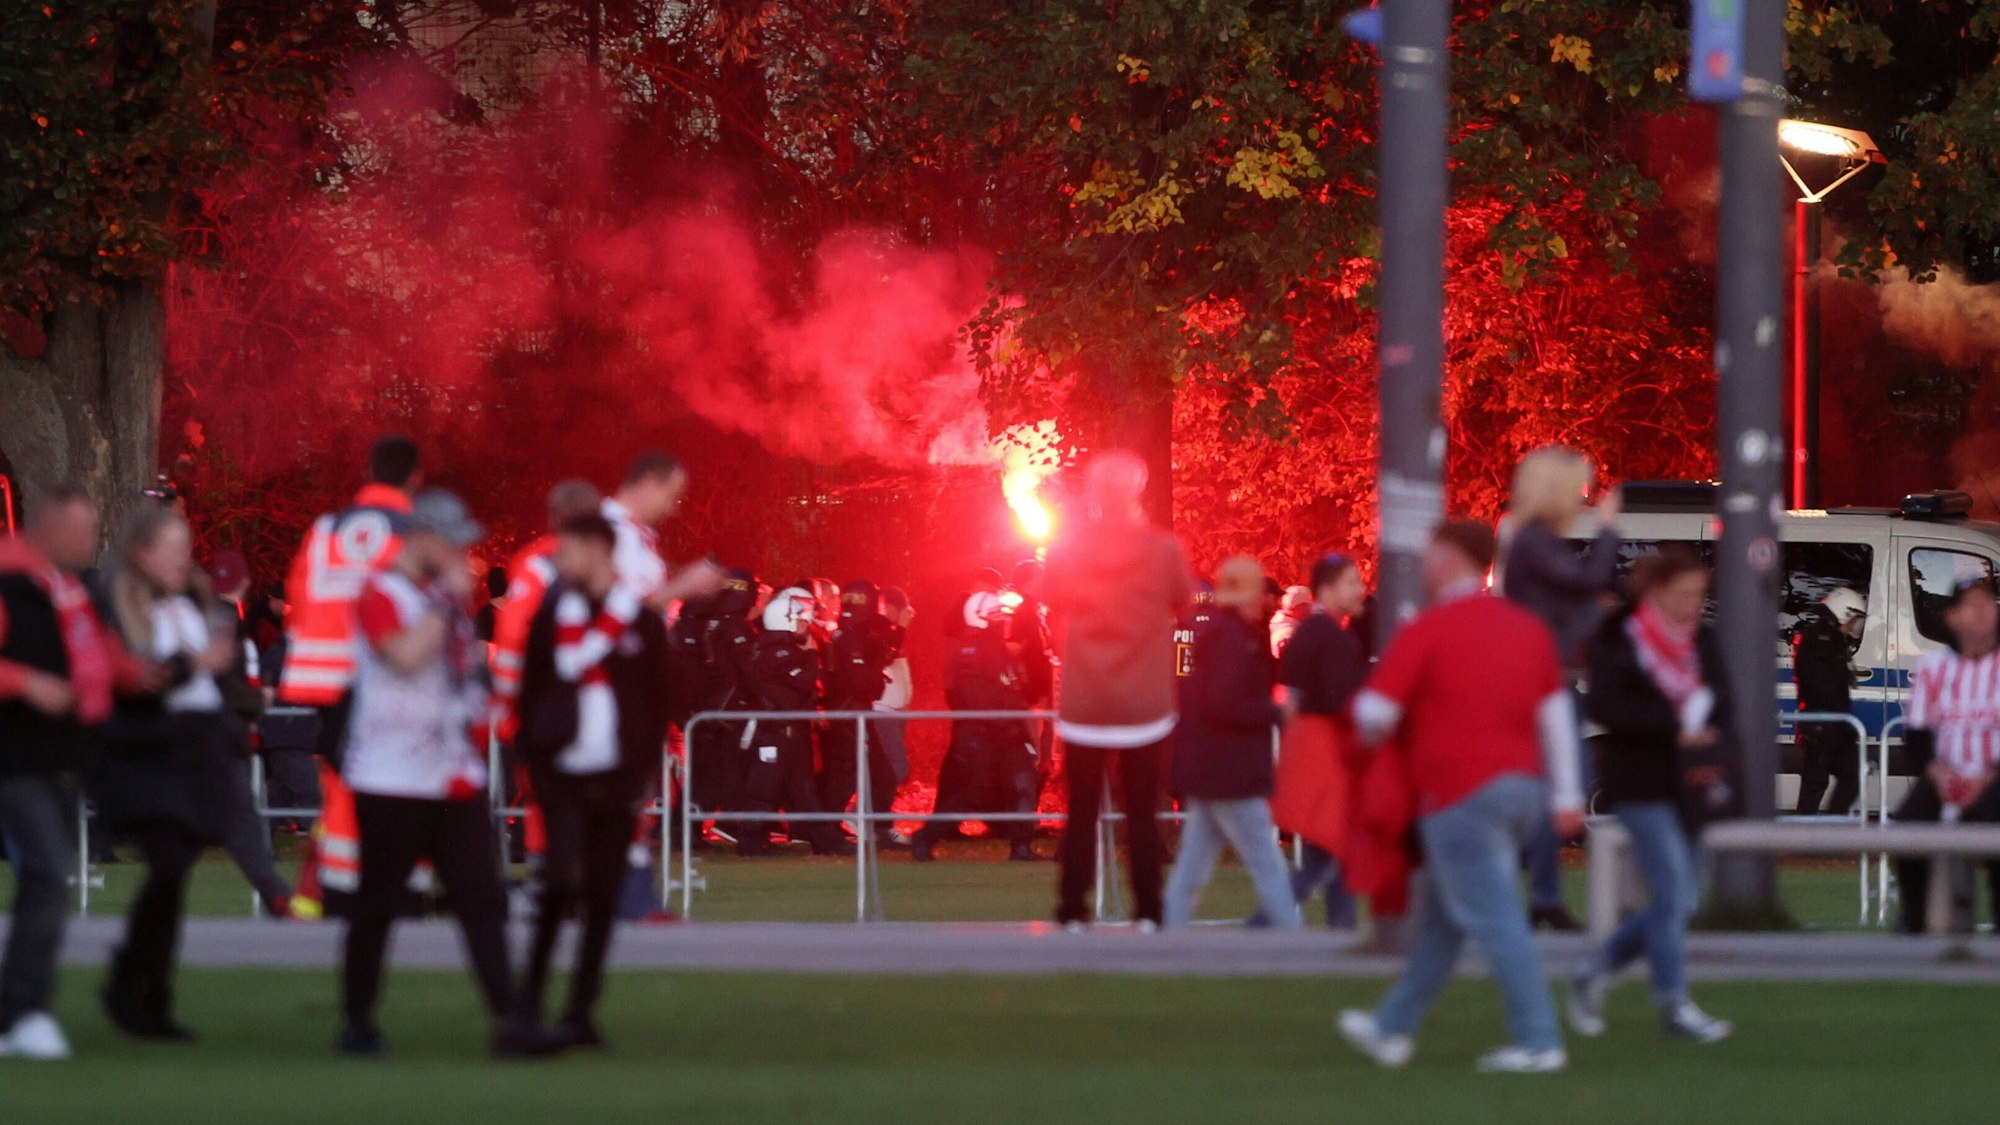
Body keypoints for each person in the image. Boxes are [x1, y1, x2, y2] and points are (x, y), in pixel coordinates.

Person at [1337, 520, 1584, 1074]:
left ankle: (1538, 1039)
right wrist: (1567, 794)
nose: (1421, 566)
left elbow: (1374, 714)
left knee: (1496, 920)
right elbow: (1555, 716)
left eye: (1428, 556)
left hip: (1459, 793)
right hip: (1524, 789)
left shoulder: (1429, 628)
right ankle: (1391, 1028)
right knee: (1448, 922)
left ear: (1448, 558)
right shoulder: (1527, 628)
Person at [335, 489, 554, 1058]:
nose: (463, 553)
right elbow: (402, 658)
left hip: (448, 771)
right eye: (453, 541)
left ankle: (512, 1019)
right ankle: (357, 1020)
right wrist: (443, 608)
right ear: (422, 538)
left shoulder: (442, 598)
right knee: (380, 901)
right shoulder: (381, 592)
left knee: (481, 899)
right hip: (390, 776)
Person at [515, 513, 671, 1048]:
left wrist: (641, 770)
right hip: (562, 777)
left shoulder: (640, 622)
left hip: (616, 779)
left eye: (570, 549)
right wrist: (536, 763)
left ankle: (581, 1009)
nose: (560, 559)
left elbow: (660, 697)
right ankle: (529, 1002)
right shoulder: (554, 613)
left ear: (600, 550)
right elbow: (530, 690)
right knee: (559, 885)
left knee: (602, 895)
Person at [1568, 547, 1735, 1044]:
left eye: (1699, 596)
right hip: (1639, 781)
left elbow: (1723, 697)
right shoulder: (1621, 637)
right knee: (1672, 892)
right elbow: (1607, 704)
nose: (1693, 606)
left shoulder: (1701, 641)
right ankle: (1673, 1003)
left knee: (1679, 901)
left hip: (1690, 783)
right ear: (1656, 592)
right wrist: (1671, 729)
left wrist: (1711, 732)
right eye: (1684, 595)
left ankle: (1595, 971)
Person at [0, 489, 144, 1061]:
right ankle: (23, 1012)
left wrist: (143, 675)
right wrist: (27, 684)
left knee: (48, 877)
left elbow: (100, 658)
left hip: (63, 762)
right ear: (51, 529)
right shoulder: (13, 588)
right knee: (47, 874)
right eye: (83, 530)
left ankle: (18, 1011)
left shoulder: (74, 593)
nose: (91, 542)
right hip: (16, 761)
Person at [93, 504, 246, 1039]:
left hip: (194, 751)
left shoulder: (189, 603)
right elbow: (135, 680)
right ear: (142, 552)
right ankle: (132, 984)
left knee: (175, 872)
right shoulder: (117, 604)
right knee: (166, 867)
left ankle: (148, 992)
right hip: (147, 754)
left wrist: (226, 682)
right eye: (173, 548)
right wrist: (193, 666)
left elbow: (209, 678)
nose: (185, 558)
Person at [1044, 450, 1193, 930]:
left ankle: (1072, 909)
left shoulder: (1068, 548)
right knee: (1143, 812)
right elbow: (1183, 602)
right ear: (1137, 490)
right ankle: (1148, 910)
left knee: (1082, 810)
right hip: (1144, 698)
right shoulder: (1161, 548)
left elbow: (1051, 597)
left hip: (1086, 694)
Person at [279, 435, 422, 915]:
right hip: (388, 681)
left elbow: (298, 598)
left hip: (327, 684)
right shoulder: (415, 529)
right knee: (394, 790)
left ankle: (329, 891)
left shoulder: (326, 529)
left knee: (346, 787)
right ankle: (382, 890)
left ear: (368, 469)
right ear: (414, 476)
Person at [1499, 445, 1622, 933]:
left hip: (1551, 676)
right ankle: (1535, 891)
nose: (1583, 497)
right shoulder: (1533, 540)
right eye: (1579, 486)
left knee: (1552, 786)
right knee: (1557, 783)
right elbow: (1589, 580)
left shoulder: (1531, 542)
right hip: (1542, 681)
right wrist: (1609, 530)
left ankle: (1541, 894)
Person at [1163, 557, 1300, 930]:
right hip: (1231, 769)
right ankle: (1295, 940)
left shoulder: (1213, 636)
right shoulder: (1236, 641)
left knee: (1193, 865)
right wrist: (1275, 711)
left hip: (1208, 766)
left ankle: (1166, 936)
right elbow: (1226, 703)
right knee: (1265, 860)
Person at [1263, 552, 1370, 929]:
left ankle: (1340, 930)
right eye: (1352, 582)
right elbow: (1342, 704)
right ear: (1327, 589)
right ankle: (1265, 928)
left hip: (1310, 755)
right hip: (1328, 759)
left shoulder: (1309, 633)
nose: (1361, 589)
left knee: (1327, 857)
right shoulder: (1332, 640)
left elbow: (1290, 698)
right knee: (1329, 854)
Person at [1892, 572, 2000, 934]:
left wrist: (1986, 777)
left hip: (1994, 777)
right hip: (1946, 776)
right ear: (1952, 616)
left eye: (1987, 603)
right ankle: (1916, 917)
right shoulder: (1933, 668)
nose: (1983, 611)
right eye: (1971, 604)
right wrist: (1940, 776)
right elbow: (1918, 738)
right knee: (1906, 828)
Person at [913, 592, 1043, 863]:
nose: (1002, 619)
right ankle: (926, 837)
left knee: (1023, 784)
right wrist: (1001, 720)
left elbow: (1013, 690)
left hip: (1007, 734)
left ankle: (1021, 846)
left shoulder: (999, 649)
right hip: (983, 735)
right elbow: (975, 699)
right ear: (981, 617)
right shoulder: (972, 651)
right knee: (971, 793)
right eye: (996, 614)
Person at [738, 587, 851, 857]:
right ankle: (750, 843)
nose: (807, 624)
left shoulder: (783, 647)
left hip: (790, 734)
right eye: (802, 620)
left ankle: (827, 843)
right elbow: (803, 680)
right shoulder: (776, 649)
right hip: (774, 734)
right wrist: (812, 654)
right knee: (763, 791)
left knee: (804, 793)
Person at [821, 579, 902, 838]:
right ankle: (826, 830)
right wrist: (877, 667)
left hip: (854, 712)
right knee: (847, 774)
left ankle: (878, 827)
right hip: (850, 713)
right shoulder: (851, 638)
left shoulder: (852, 634)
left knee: (880, 774)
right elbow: (859, 682)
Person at [1794, 587, 1867, 816]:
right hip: (1821, 725)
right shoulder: (1819, 639)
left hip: (1834, 725)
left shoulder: (1833, 640)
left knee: (1852, 775)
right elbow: (1819, 686)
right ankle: (1805, 842)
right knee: (1815, 784)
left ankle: (1832, 831)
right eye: (1854, 619)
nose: (1855, 626)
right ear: (1843, 613)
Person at [872, 587, 917, 833]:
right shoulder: (879, 631)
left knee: (891, 768)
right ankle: (863, 816)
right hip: (883, 709)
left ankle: (880, 821)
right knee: (894, 767)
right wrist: (900, 627)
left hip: (895, 708)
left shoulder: (890, 632)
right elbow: (885, 658)